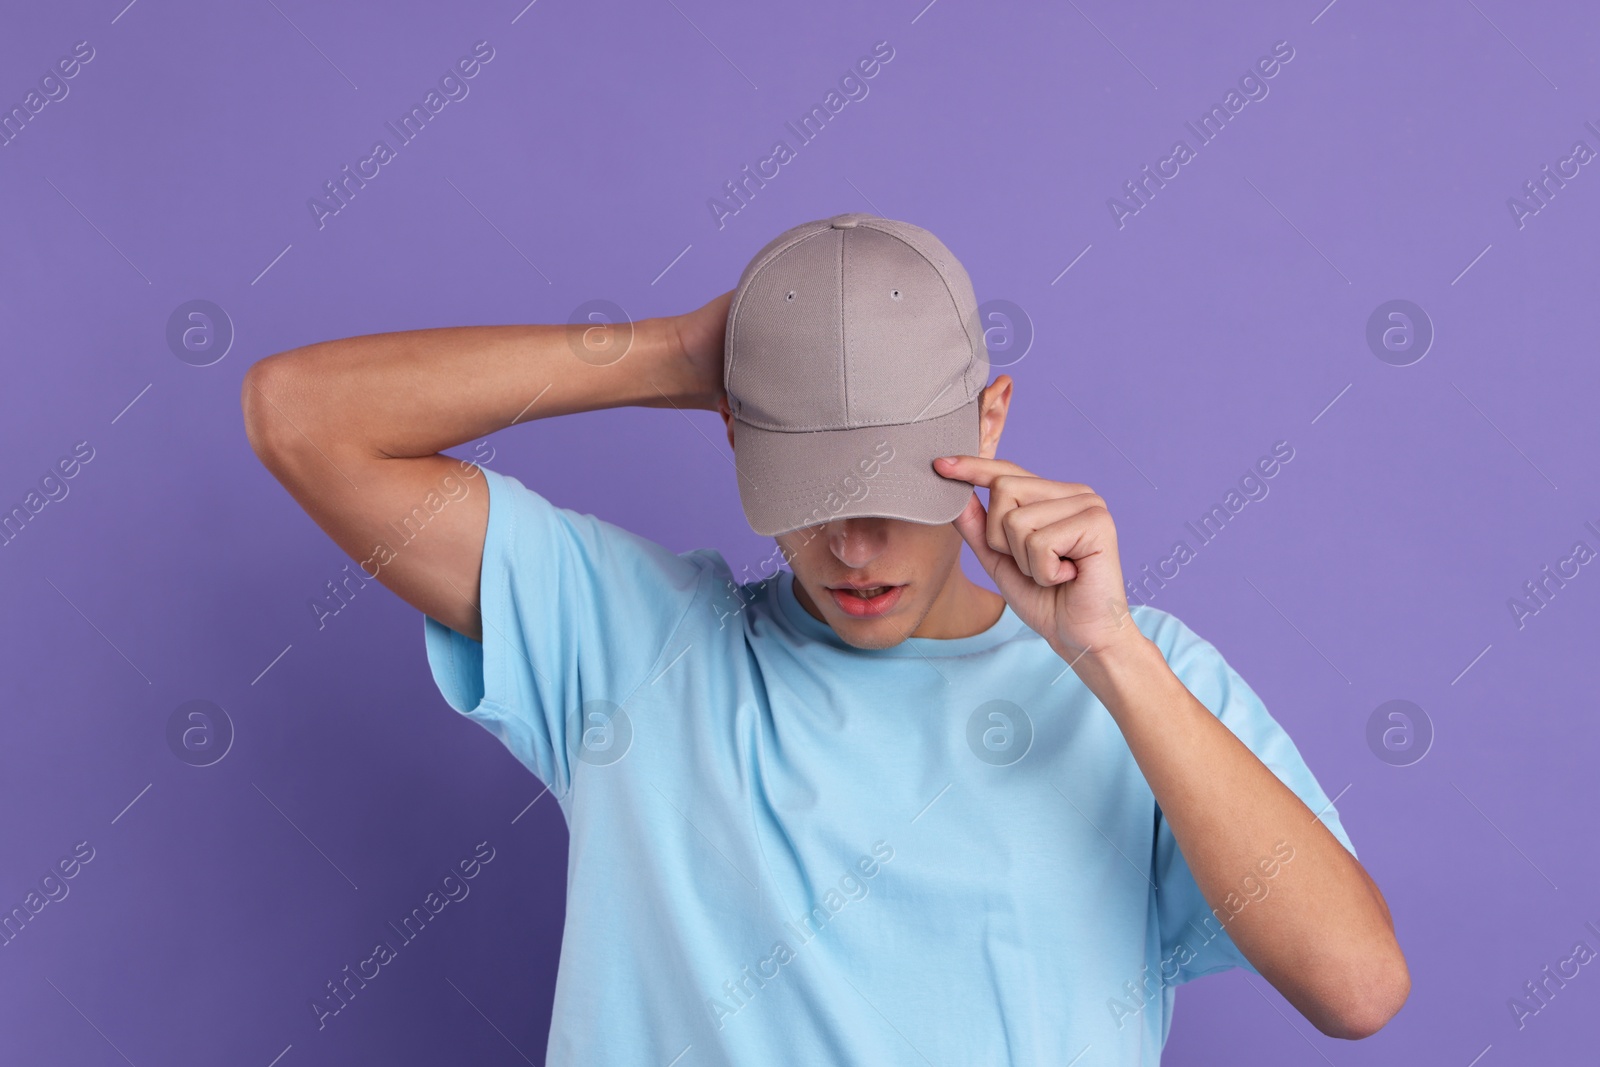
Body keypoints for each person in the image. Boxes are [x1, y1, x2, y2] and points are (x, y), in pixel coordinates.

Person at [242, 212, 1408, 1065]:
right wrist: (672, 356)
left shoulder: (1140, 675)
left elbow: (1355, 988)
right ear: (736, 439)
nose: (854, 544)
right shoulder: (629, 645)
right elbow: (301, 417)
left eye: (897, 488)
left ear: (990, 421)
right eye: (808, 486)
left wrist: (1105, 651)